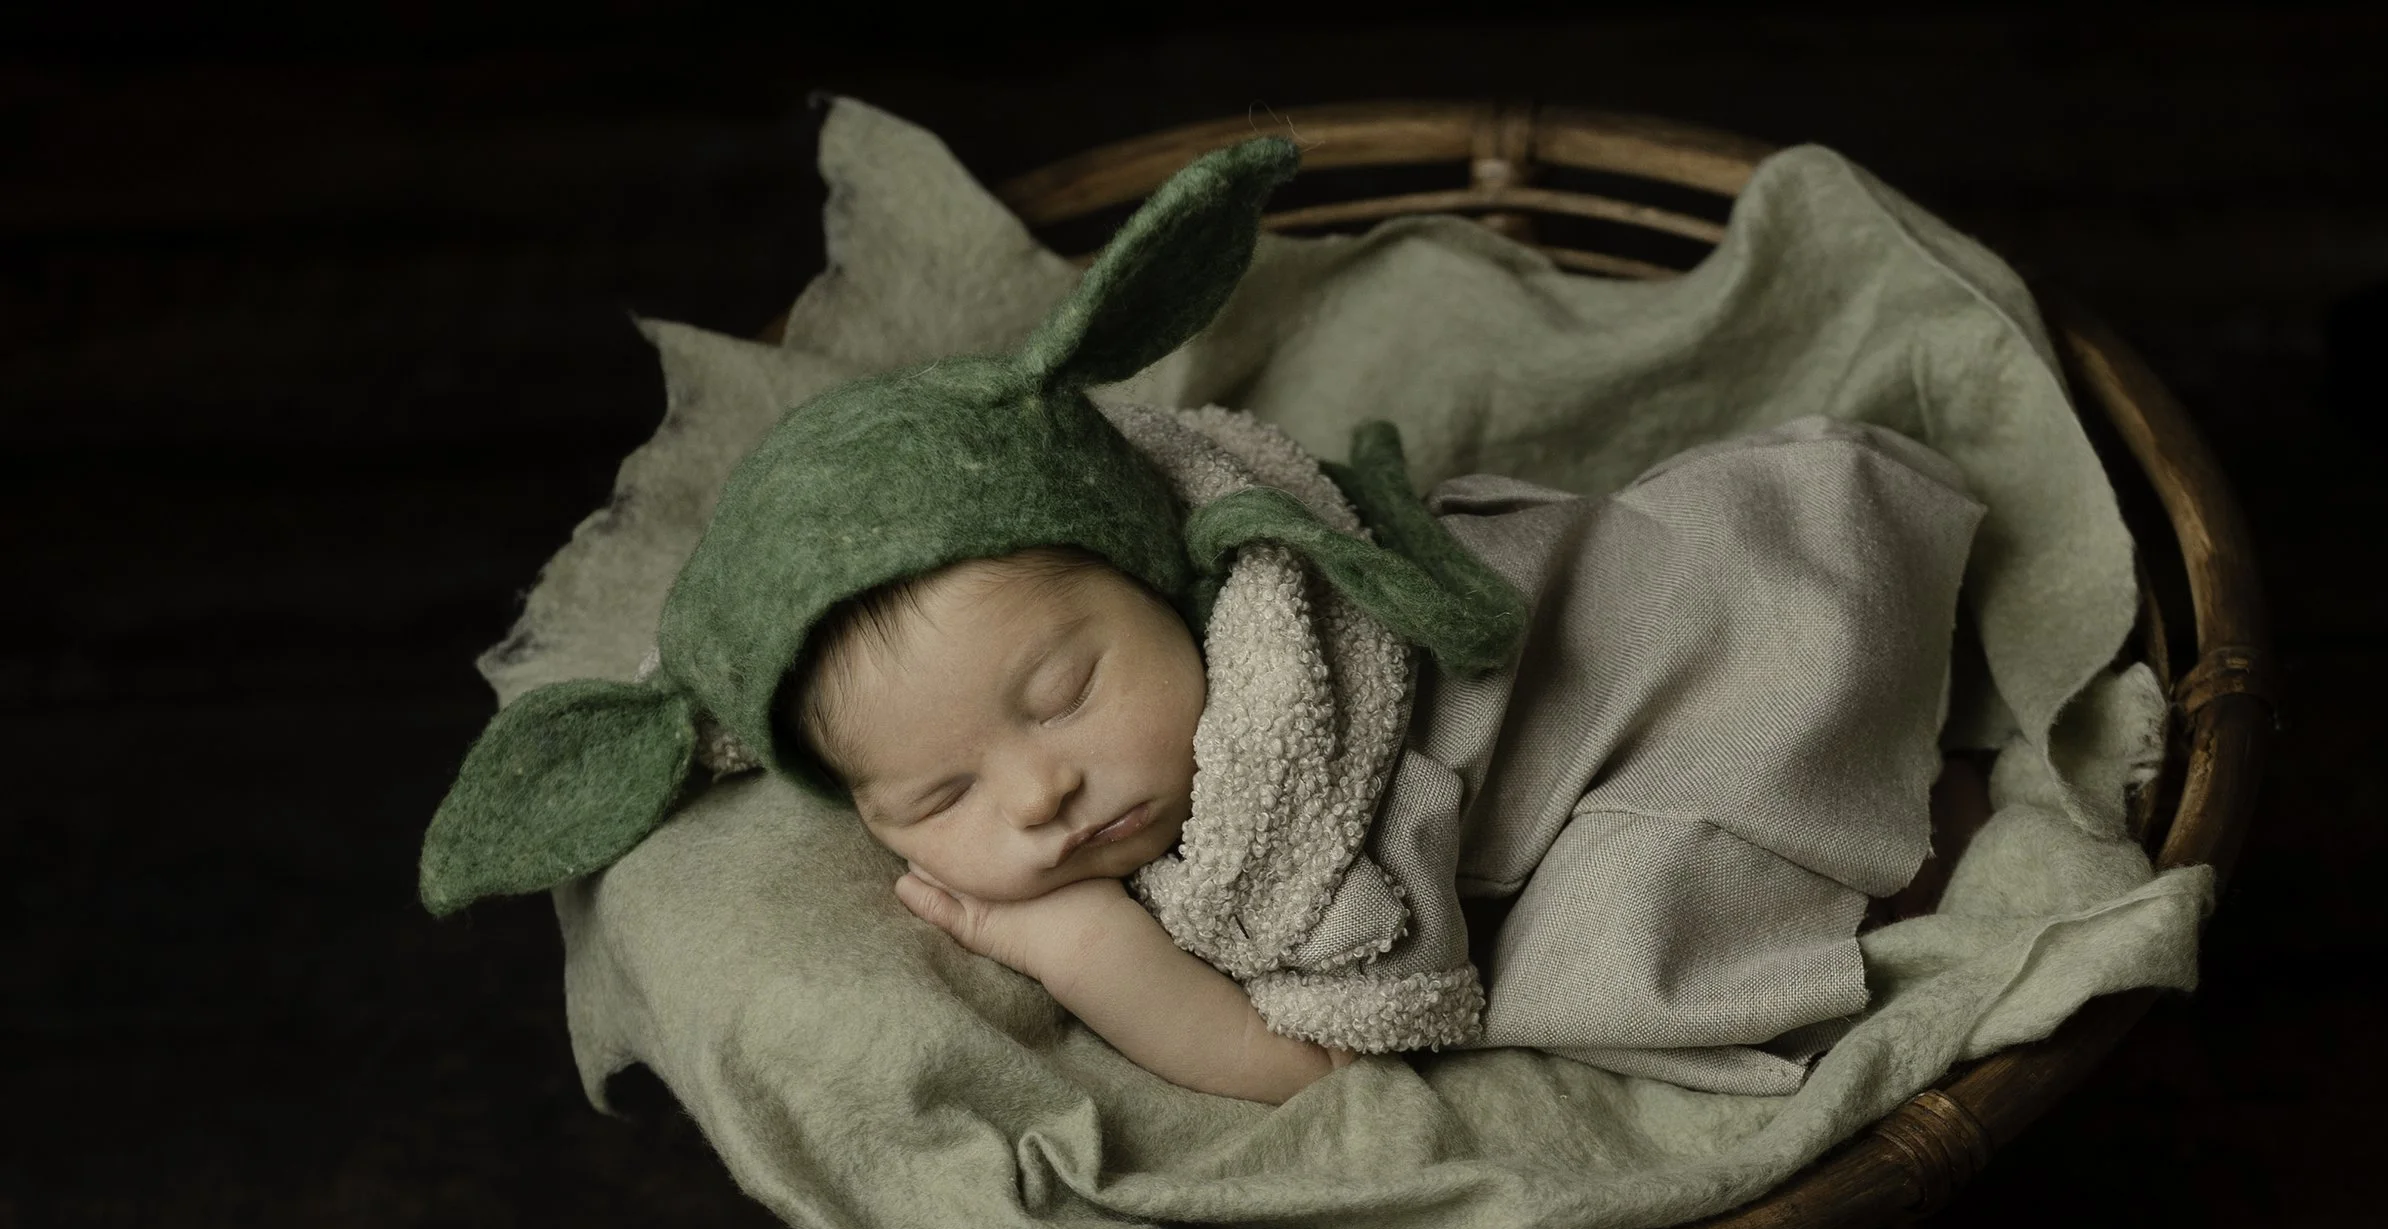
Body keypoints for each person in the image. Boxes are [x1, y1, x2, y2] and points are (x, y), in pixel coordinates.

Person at [419, 134, 1983, 1106]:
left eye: (1064, 688)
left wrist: (1089, 947)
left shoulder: (1293, 763)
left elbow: (1317, 1060)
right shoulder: (1106, 742)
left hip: (1692, 650)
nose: (1042, 793)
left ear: (1162, 574)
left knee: (1716, 818)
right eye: (940, 798)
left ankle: (1894, 785)